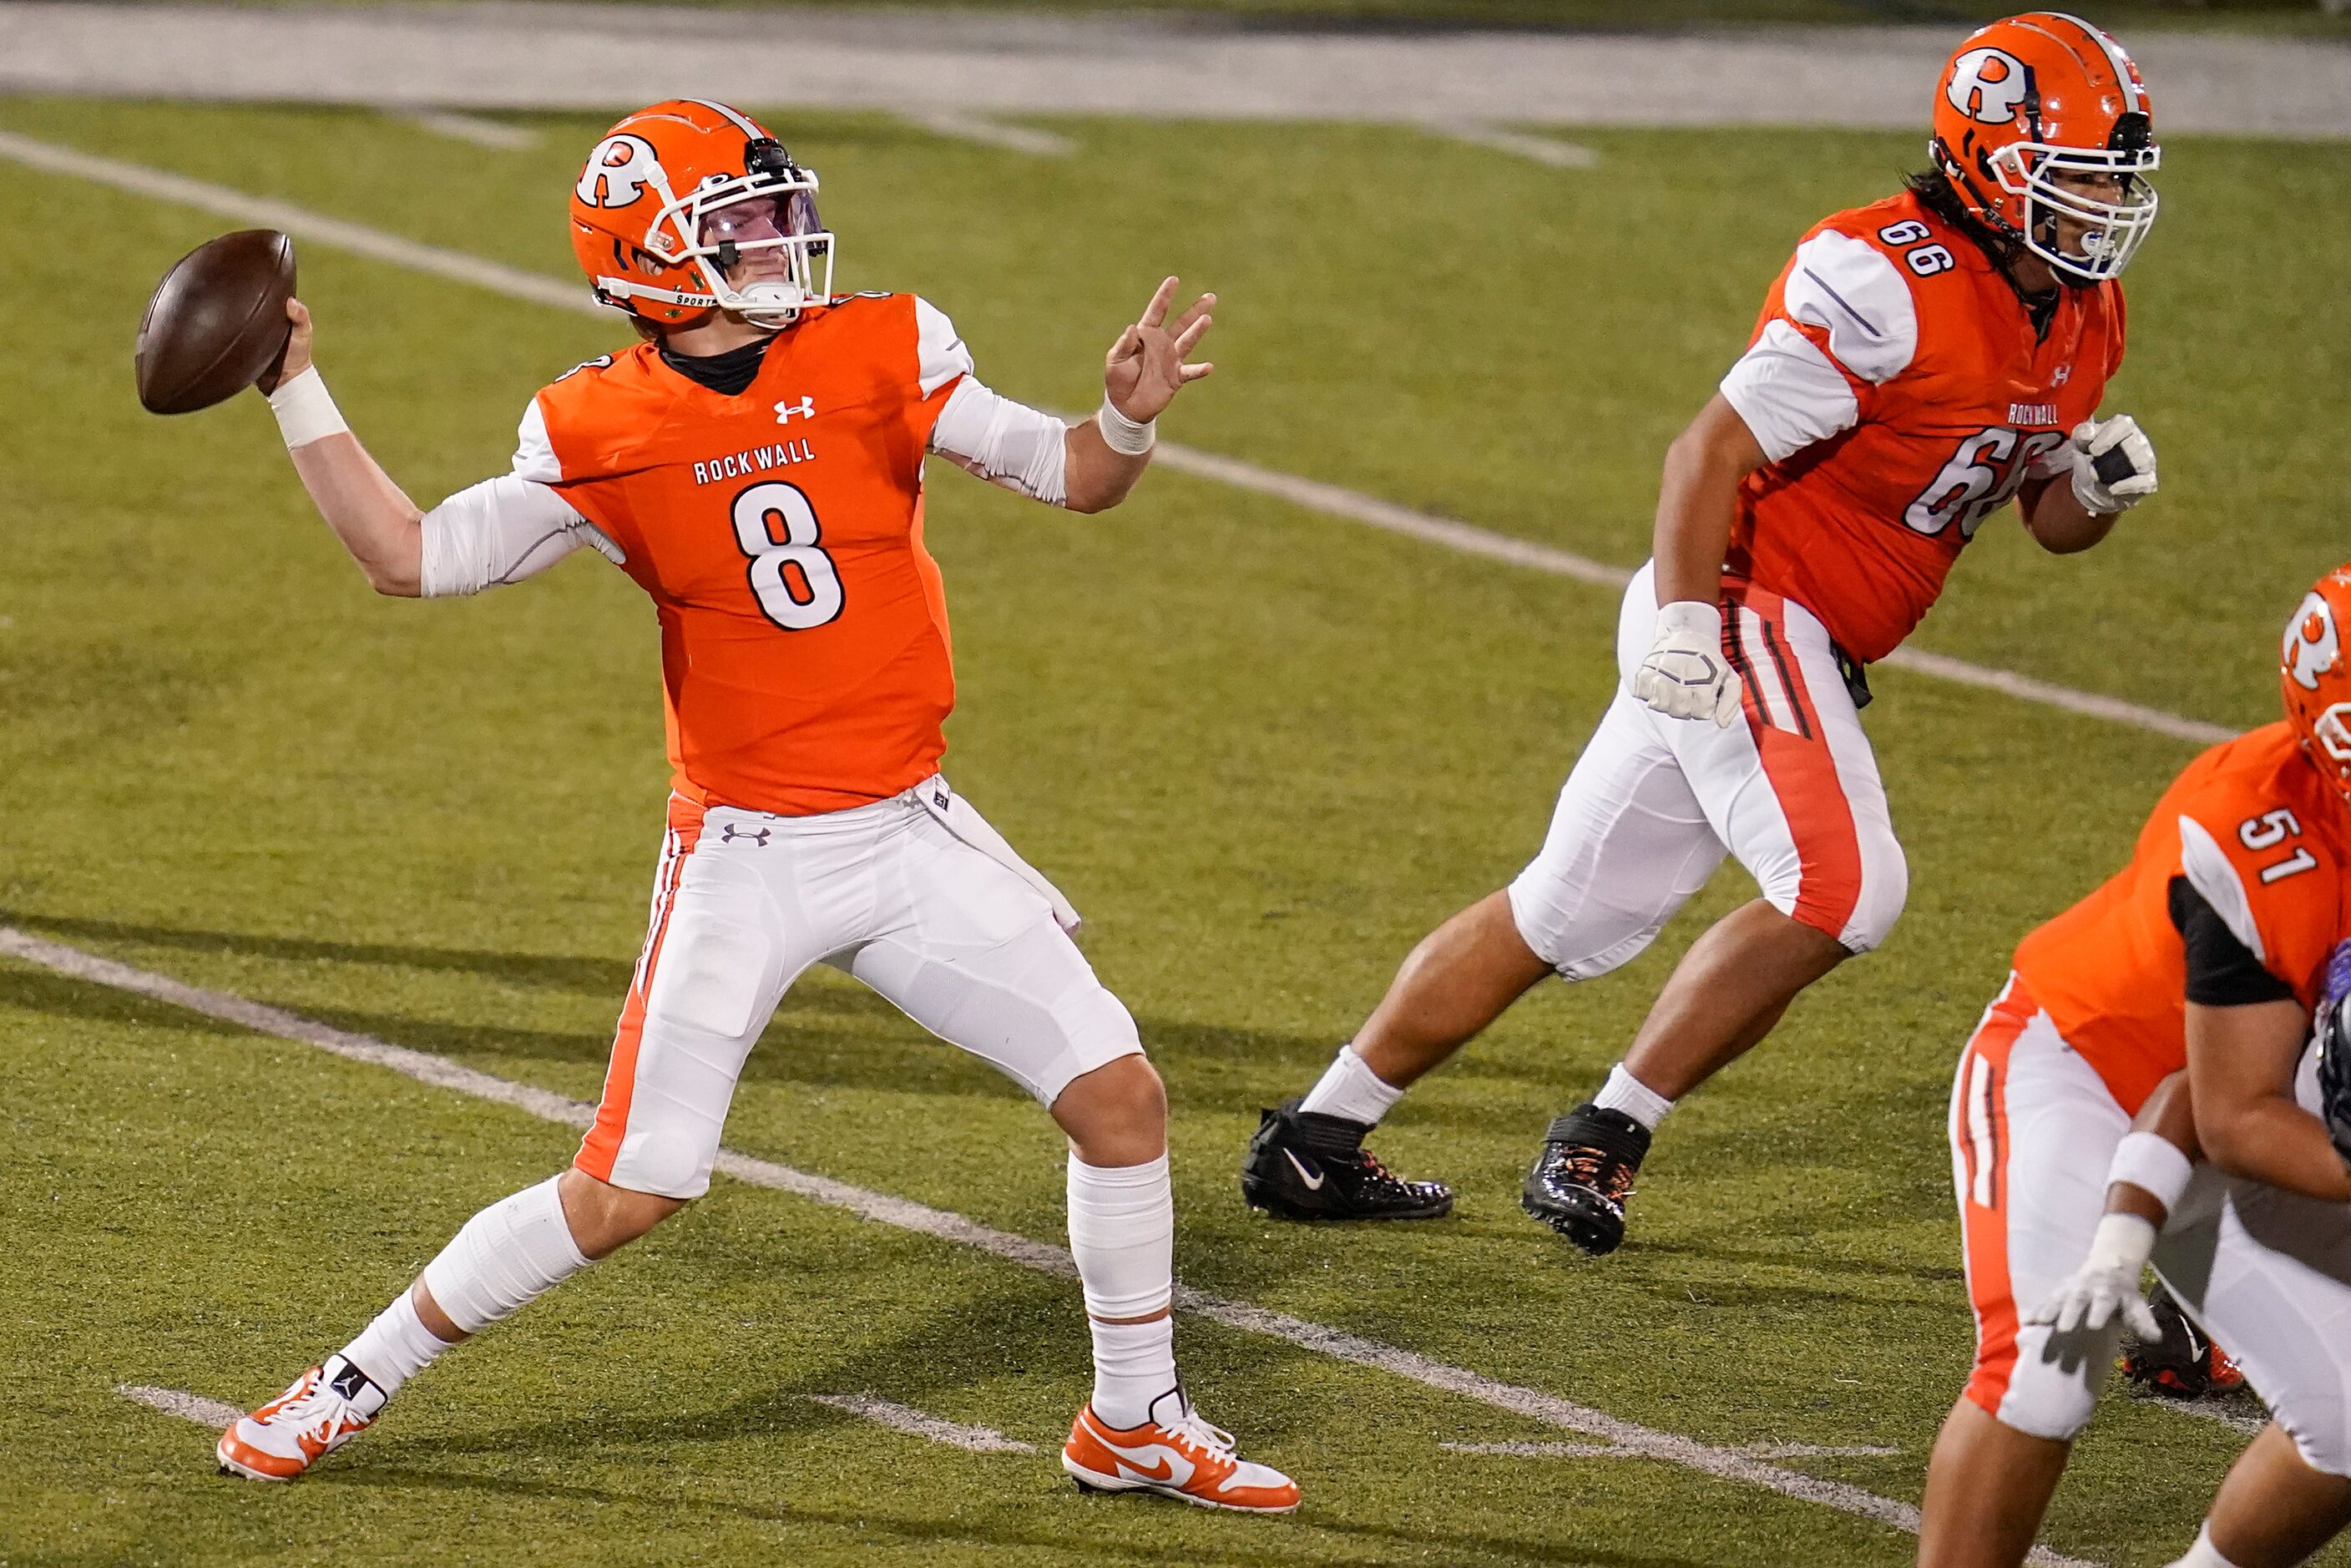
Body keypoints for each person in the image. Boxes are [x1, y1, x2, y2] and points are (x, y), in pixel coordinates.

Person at [211, 99, 1297, 1515]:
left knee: (1121, 1098)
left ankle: (1134, 1417)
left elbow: (1073, 478)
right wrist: (298, 385)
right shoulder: (594, 422)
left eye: (778, 211)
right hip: (748, 854)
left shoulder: (881, 345)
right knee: (627, 1192)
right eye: (740, 224)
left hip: (907, 829)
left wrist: (1125, 420)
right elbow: (407, 556)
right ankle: (348, 1378)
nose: (784, 239)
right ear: (651, 260)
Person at [1241, 13, 2163, 1252]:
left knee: (1559, 910)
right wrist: (1684, 626)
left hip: (1796, 629)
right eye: (2081, 174)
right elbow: (1709, 451)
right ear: (1991, 154)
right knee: (1846, 886)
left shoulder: (2086, 314)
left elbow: (2042, 519)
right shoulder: (1886, 275)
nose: (2103, 205)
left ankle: (1315, 1139)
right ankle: (1604, 1131)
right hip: (1744, 604)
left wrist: (2091, 493)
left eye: (2115, 177)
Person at [1916, 565, 2351, 1566]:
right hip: (2077, 1073)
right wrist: (2120, 1240)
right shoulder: (2252, 828)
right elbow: (2217, 1107)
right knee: (2046, 1366)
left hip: (2265, 1111)